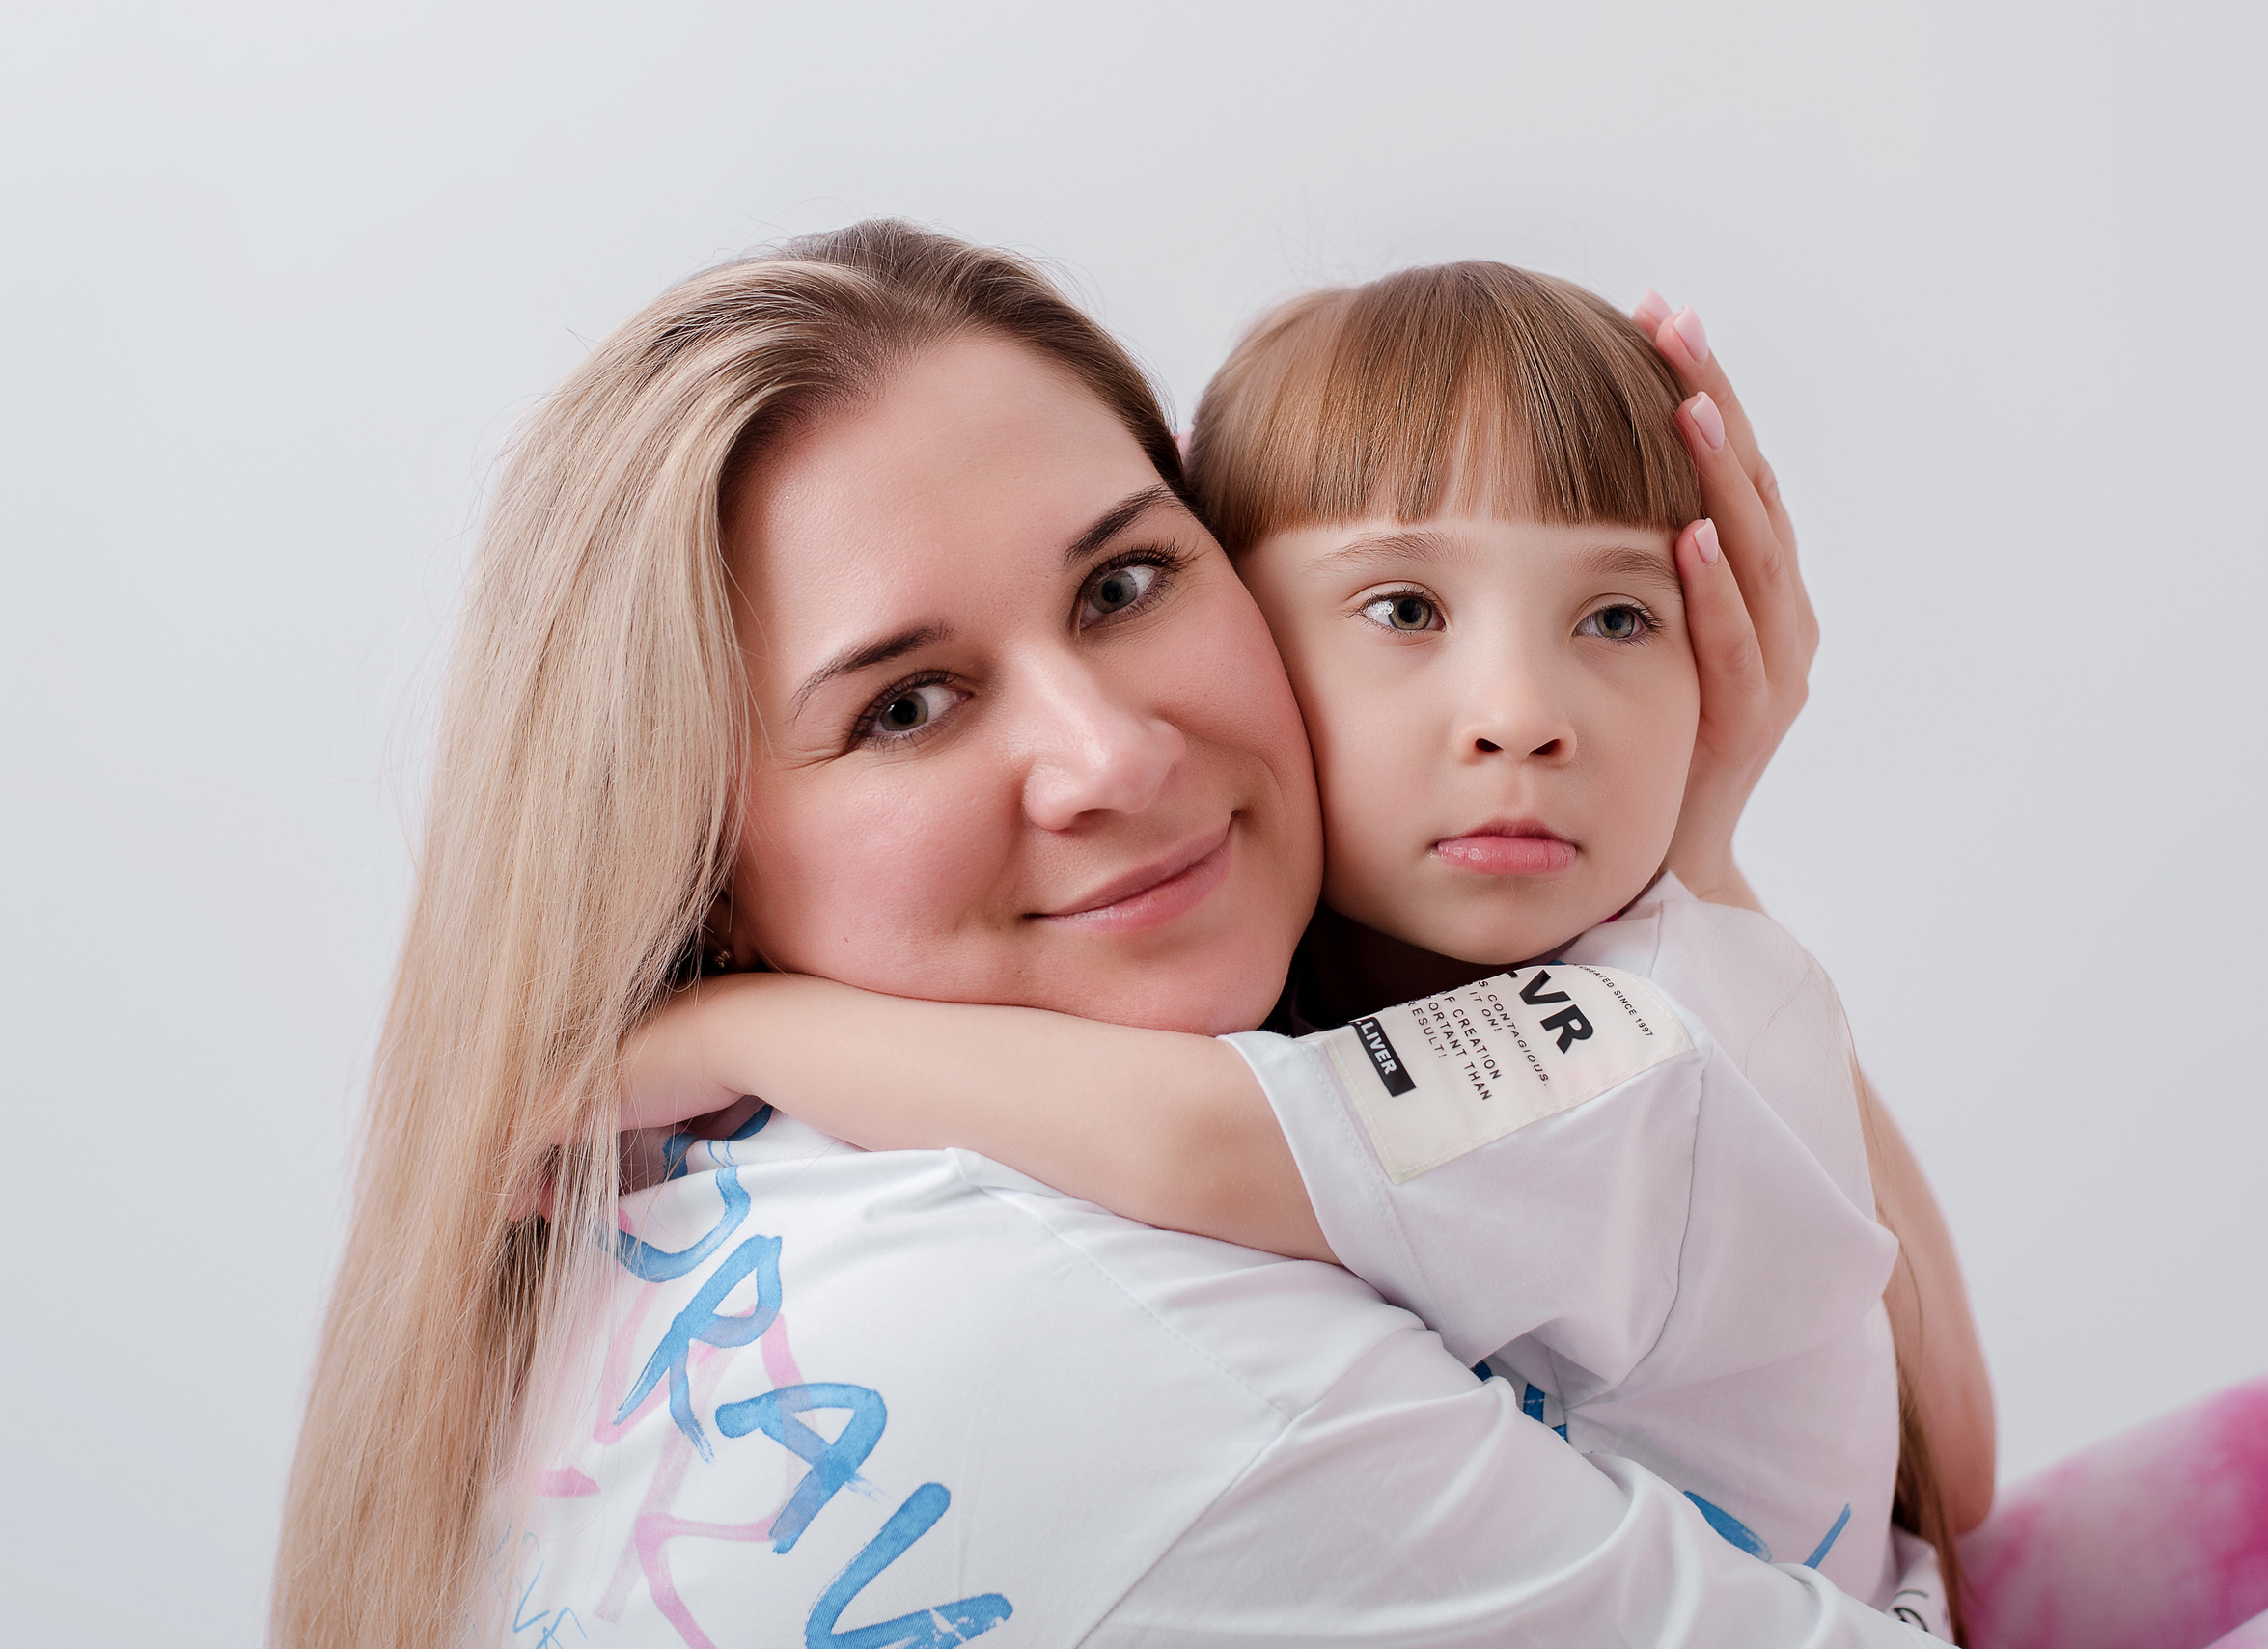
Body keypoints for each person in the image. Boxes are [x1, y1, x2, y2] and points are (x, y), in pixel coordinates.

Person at [275, 219, 1950, 1649]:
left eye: (1124, 584)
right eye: (908, 704)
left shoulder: (692, 1186)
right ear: (691, 860)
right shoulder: (1106, 1343)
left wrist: (1690, 860)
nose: (1117, 758)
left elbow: (1901, 1432)